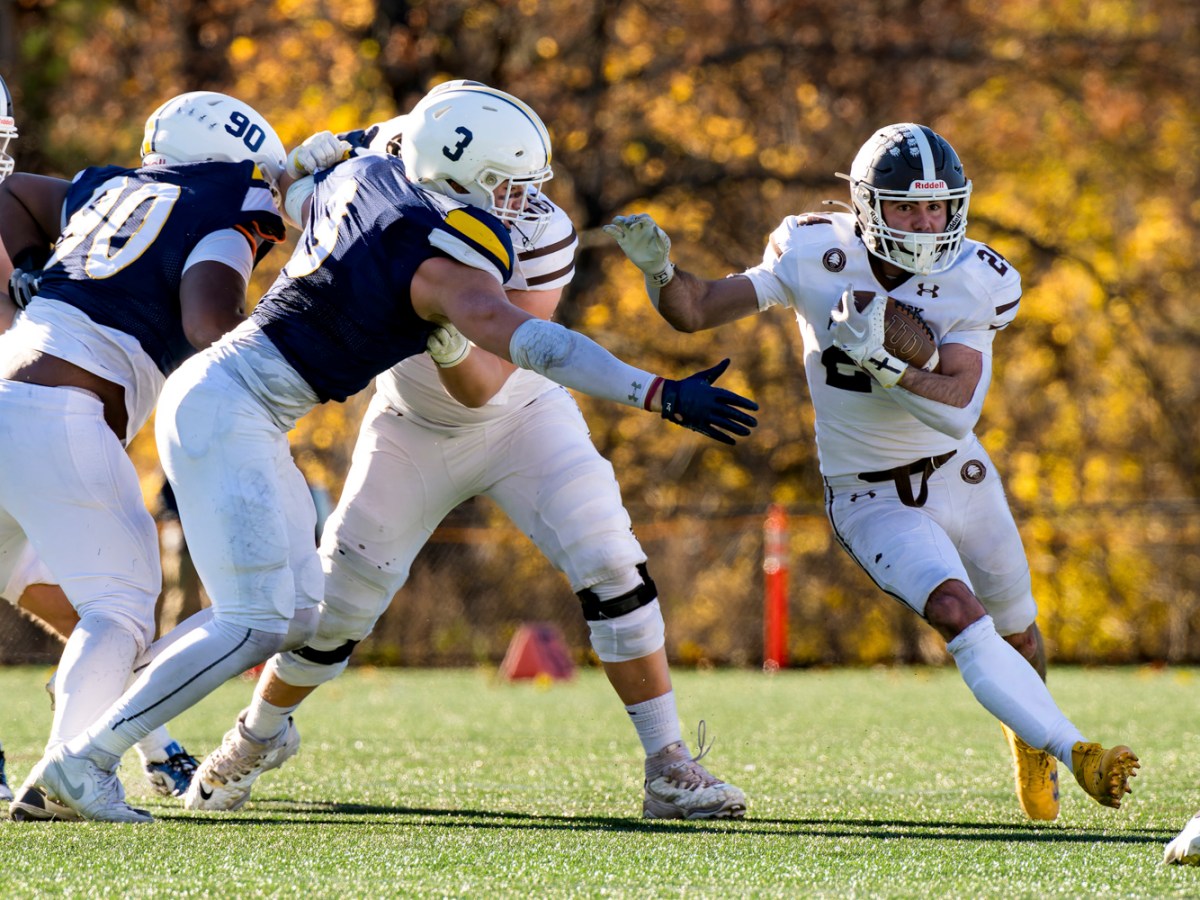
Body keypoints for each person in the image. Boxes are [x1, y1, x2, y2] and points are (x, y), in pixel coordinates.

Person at [26, 83, 758, 823]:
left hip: (236, 398)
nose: (522, 202)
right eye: (508, 186)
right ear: (461, 176)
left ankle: (124, 731)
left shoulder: (367, 171)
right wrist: (656, 391)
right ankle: (83, 761)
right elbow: (538, 342)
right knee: (257, 620)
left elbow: (342, 160)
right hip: (234, 409)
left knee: (306, 610)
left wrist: (328, 150)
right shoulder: (439, 261)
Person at [604, 122, 1139, 821]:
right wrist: (661, 273)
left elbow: (956, 411)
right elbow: (699, 310)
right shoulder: (813, 252)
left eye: (936, 206)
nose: (925, 222)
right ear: (866, 206)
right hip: (869, 495)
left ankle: (1031, 742)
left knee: (1021, 634)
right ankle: (1077, 750)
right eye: (907, 207)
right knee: (955, 610)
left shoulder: (975, 279)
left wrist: (885, 362)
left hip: (957, 470)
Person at [0, 89, 295, 822]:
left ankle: (86, 764)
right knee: (121, 610)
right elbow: (208, 323)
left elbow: (12, 194)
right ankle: (63, 778)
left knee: (67, 588)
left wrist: (15, 289)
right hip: (59, 413)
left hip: (13, 380)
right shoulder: (224, 212)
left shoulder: (109, 191)